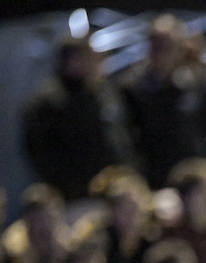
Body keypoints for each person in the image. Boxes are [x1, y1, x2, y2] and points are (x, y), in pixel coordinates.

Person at [120, 15, 206, 206]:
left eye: (169, 46)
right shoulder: (132, 90)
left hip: (198, 185)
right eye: (158, 45)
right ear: (149, 48)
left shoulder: (195, 86)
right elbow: (127, 143)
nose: (163, 53)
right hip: (158, 186)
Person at [21, 35, 136, 202]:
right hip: (76, 198)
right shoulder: (49, 104)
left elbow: (120, 138)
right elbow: (43, 156)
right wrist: (72, 188)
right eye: (92, 59)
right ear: (73, 62)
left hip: (115, 191)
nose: (99, 66)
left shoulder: (104, 93)